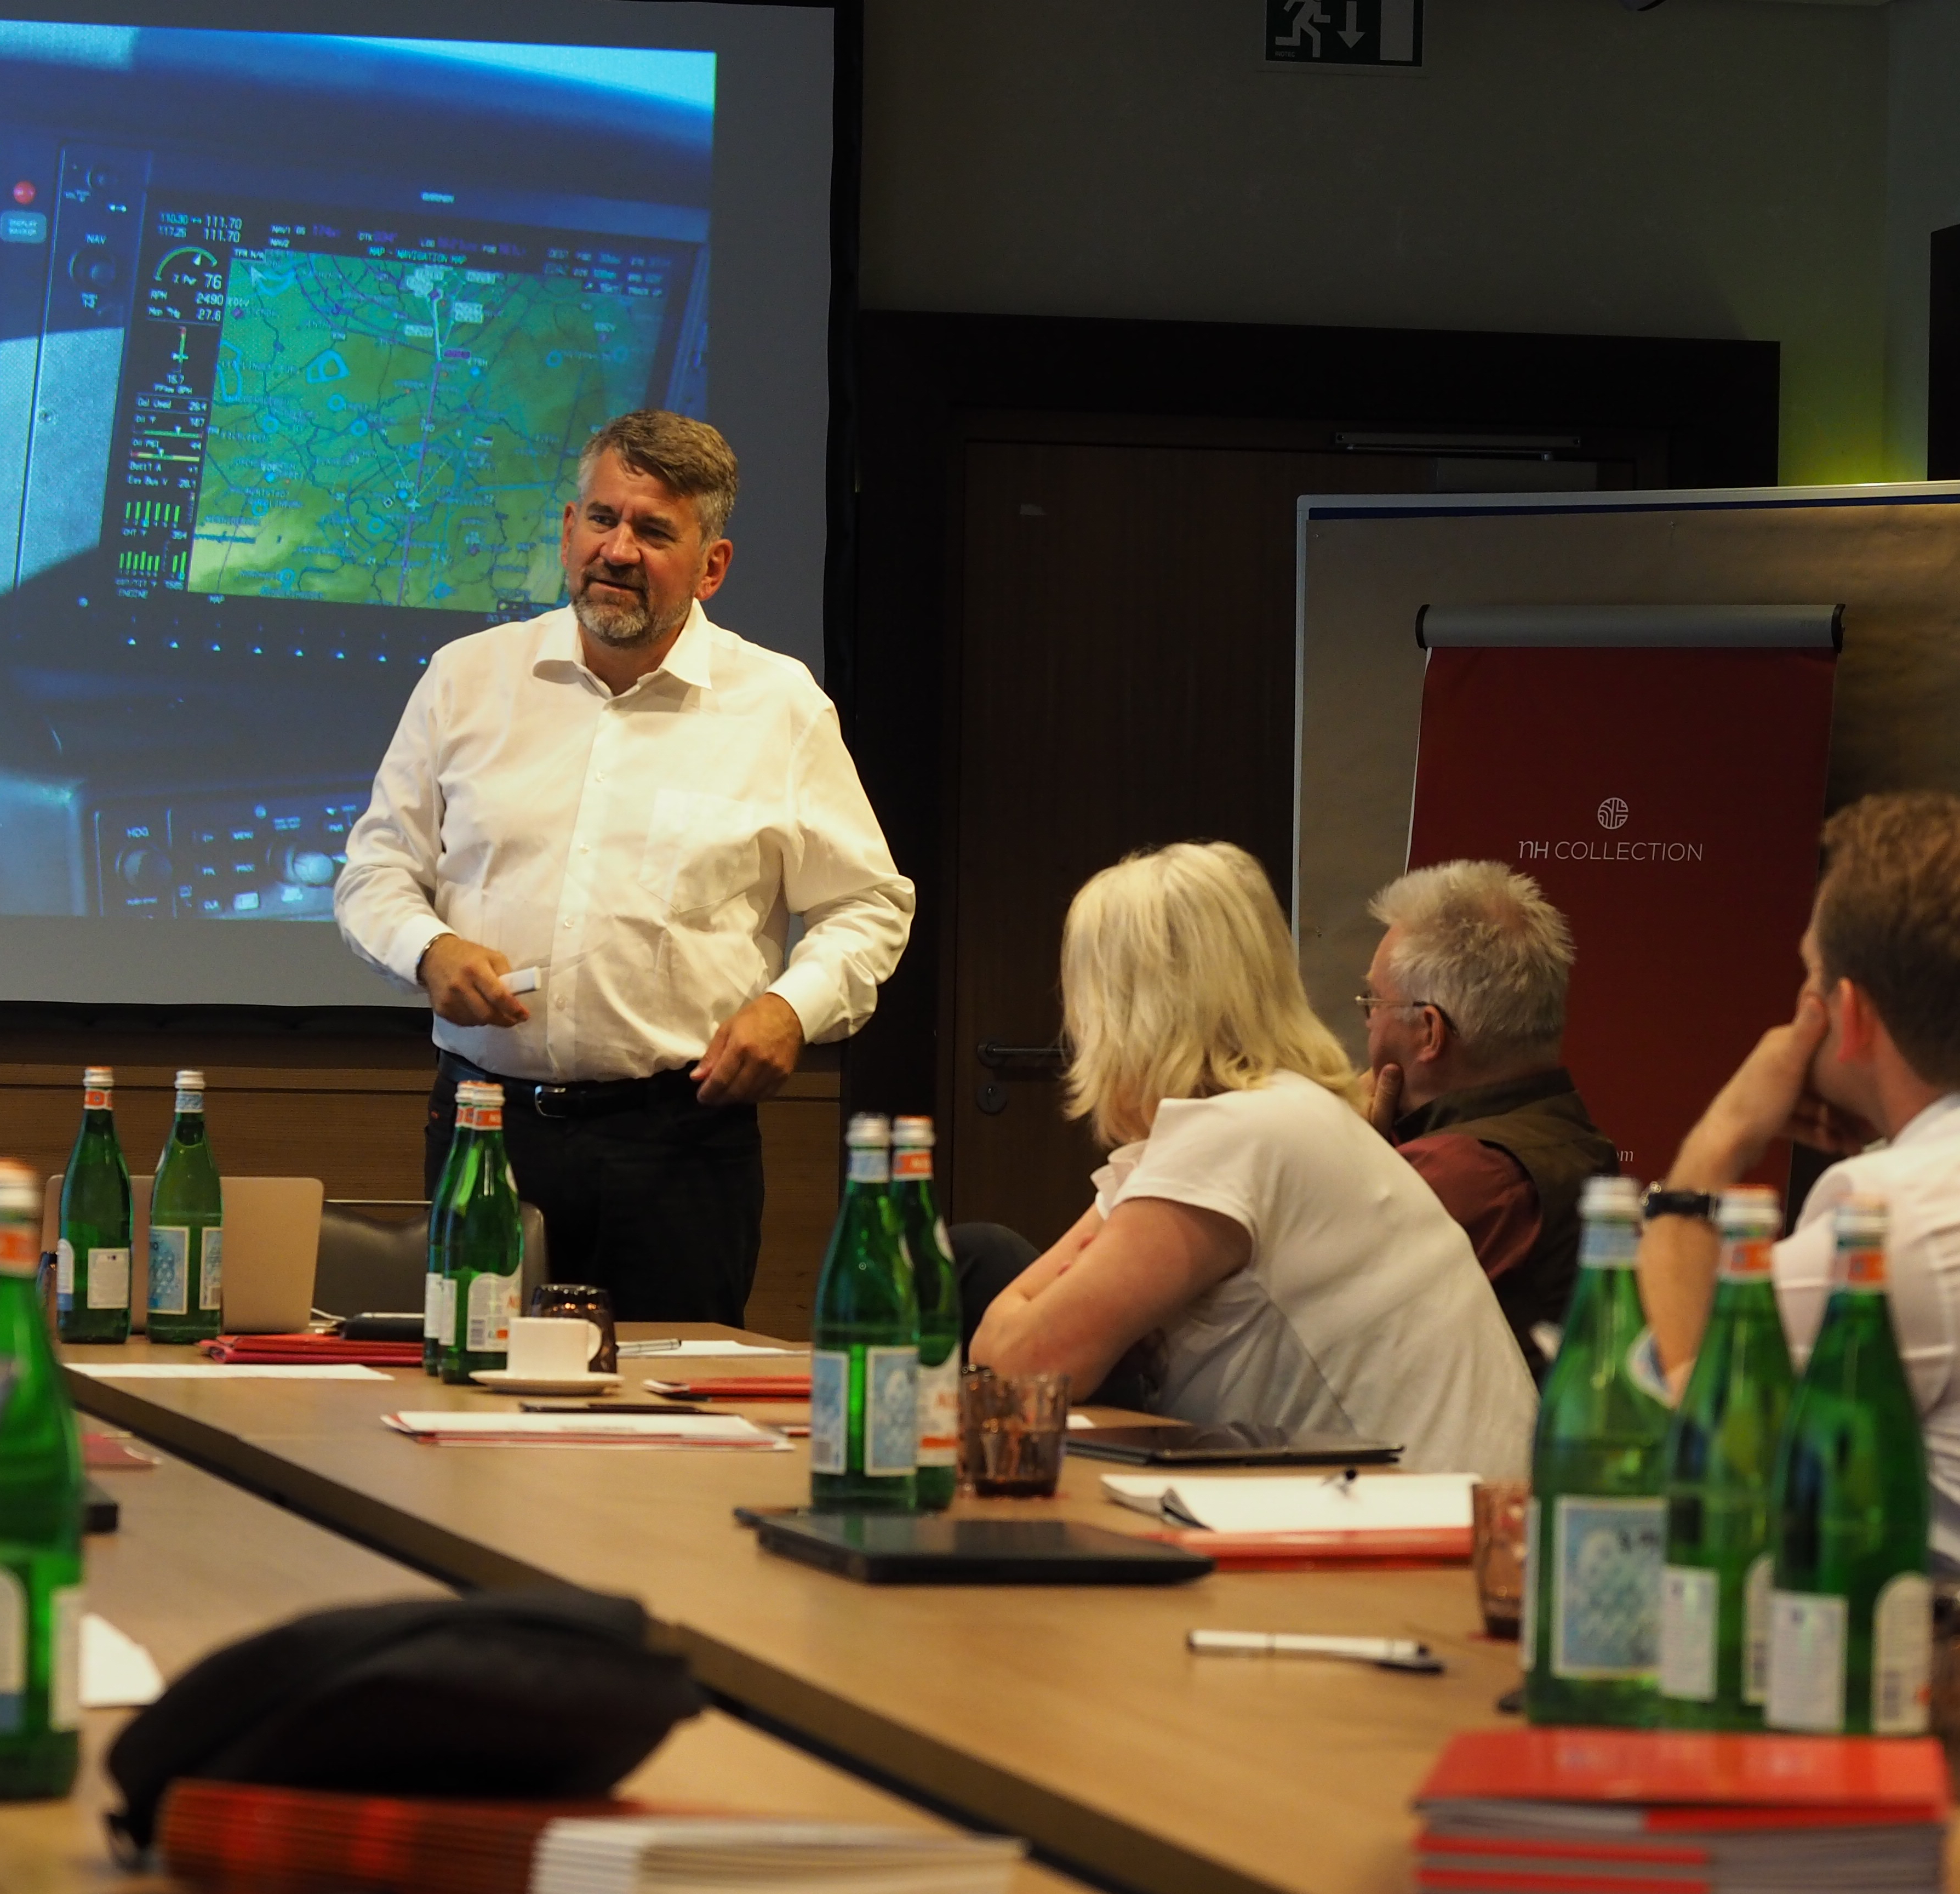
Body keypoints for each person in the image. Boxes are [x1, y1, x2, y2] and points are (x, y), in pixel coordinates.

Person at [334, 410, 914, 1323]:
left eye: (653, 531)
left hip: (679, 1144)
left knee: (667, 1403)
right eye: (602, 520)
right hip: (485, 1129)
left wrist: (791, 1010)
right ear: (569, 530)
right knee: (467, 1391)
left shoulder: (779, 706)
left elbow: (868, 906)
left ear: (711, 566)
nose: (617, 551)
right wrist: (427, 949)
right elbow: (375, 868)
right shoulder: (466, 679)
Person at [967, 841, 1536, 1478]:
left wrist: (1046, 1307)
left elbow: (1019, 1362)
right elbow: (1006, 1345)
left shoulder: (1241, 1136)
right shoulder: (1281, 1115)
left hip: (1426, 1527)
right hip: (1448, 1510)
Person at [1637, 791, 1960, 1565]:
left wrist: (1713, 1147)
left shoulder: (1897, 1213)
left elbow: (1666, 1435)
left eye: (1810, 971)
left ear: (1848, 1015)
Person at [1361, 861, 1621, 1376]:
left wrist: (1351, 1162)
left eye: (1372, 1003)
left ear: (1429, 1032)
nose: (1368, 1025)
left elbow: (1312, 1334)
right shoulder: (1560, 1137)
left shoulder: (1461, 1172)